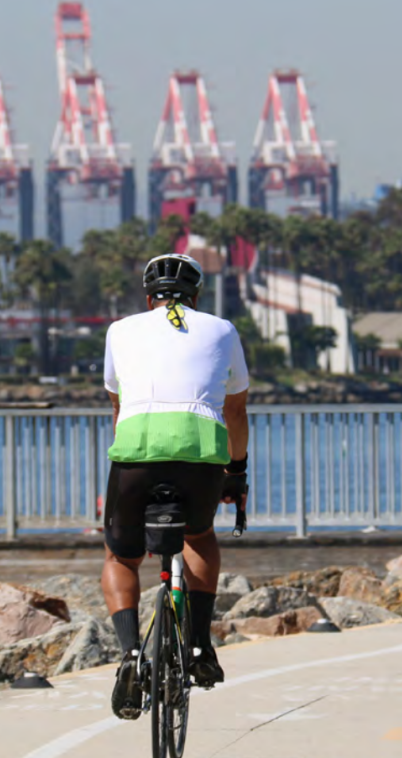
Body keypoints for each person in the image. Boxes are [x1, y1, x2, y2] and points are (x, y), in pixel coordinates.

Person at [101, 253, 249, 720]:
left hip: (136, 452)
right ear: (197, 297)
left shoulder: (120, 330)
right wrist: (237, 472)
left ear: (148, 298)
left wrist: (127, 467)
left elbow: (118, 406)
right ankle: (202, 644)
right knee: (198, 535)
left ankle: (128, 655)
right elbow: (236, 411)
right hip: (202, 450)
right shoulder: (222, 329)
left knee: (120, 556)